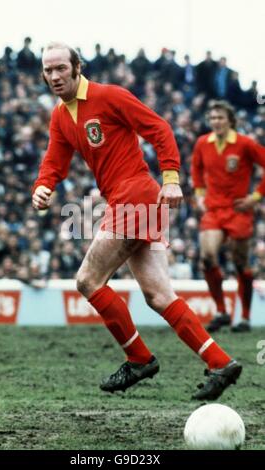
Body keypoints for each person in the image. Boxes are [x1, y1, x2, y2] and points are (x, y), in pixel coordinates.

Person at [32, 42, 242, 400]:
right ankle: (219, 361)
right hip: (133, 200)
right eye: (48, 71)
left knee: (87, 280)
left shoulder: (108, 96)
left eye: (60, 69)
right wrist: (43, 185)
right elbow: (55, 158)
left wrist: (172, 179)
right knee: (159, 296)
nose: (54, 76)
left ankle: (139, 358)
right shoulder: (59, 116)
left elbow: (158, 128)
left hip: (136, 196)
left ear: (77, 68)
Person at [191, 101, 265, 333]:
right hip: (213, 209)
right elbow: (196, 170)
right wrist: (200, 195)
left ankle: (243, 316)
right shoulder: (203, 143)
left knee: (240, 262)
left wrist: (255, 197)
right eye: (212, 118)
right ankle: (222, 311)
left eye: (220, 118)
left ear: (230, 120)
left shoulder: (244, 143)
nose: (216, 122)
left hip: (238, 209)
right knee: (207, 257)